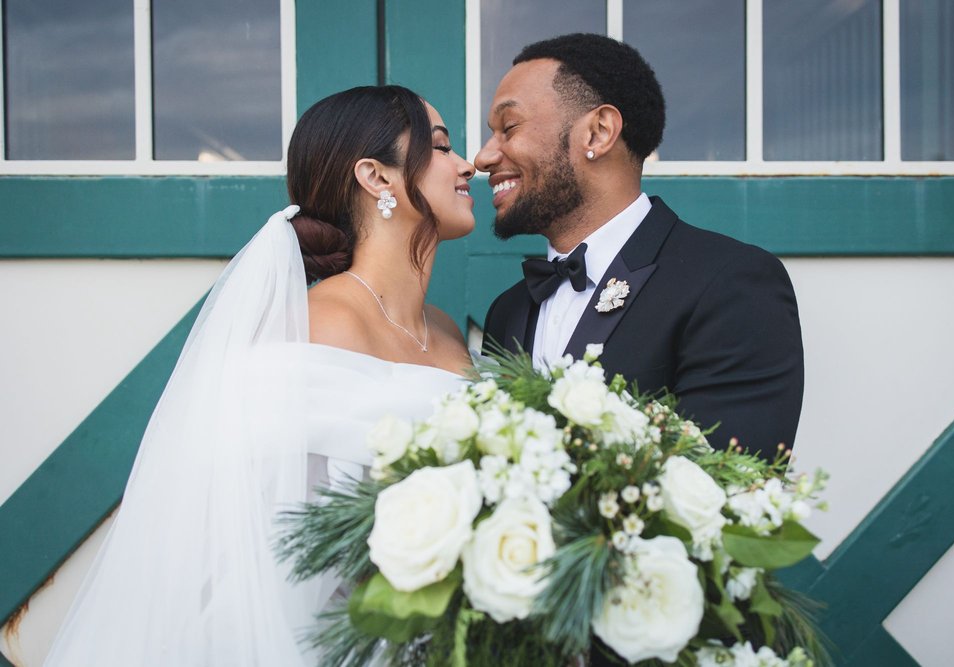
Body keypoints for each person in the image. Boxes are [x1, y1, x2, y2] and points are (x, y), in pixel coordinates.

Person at [44, 85, 476, 666]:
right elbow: (275, 552)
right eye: (442, 147)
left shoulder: (446, 332)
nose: (466, 165)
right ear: (376, 177)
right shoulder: (316, 329)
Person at [478, 33, 804, 460]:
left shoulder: (730, 284)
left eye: (509, 128)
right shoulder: (507, 312)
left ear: (598, 132)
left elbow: (732, 483)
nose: (483, 157)